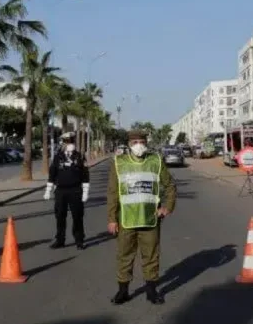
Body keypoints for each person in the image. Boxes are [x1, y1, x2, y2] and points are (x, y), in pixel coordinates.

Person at [106, 130, 177, 305]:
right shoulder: (119, 163)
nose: (139, 144)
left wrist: (167, 207)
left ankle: (151, 292)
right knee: (124, 256)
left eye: (142, 141)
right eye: (135, 141)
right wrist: (112, 219)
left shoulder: (156, 160)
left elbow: (170, 186)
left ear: (146, 142)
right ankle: (123, 291)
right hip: (126, 220)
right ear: (129, 144)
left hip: (150, 219)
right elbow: (113, 193)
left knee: (151, 256)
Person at [44, 132, 90, 250]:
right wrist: (48, 190)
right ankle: (60, 240)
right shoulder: (58, 157)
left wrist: (85, 192)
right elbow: (52, 174)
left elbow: (85, 174)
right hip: (61, 190)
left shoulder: (79, 156)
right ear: (63, 143)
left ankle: (79, 240)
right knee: (60, 216)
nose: (68, 144)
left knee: (77, 216)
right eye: (66, 142)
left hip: (75, 190)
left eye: (70, 142)